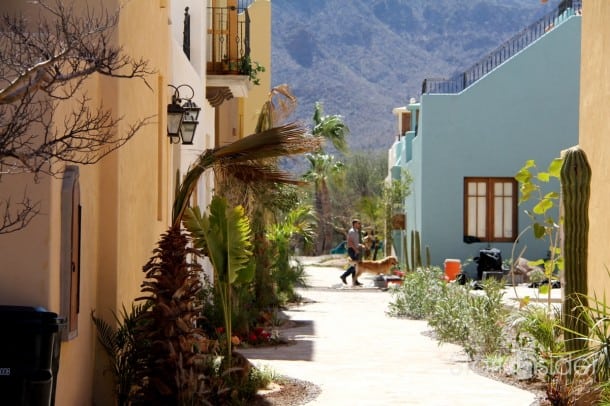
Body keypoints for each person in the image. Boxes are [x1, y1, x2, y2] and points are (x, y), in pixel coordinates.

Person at [340, 219, 364, 286]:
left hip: (355, 249)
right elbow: (350, 242)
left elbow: (355, 242)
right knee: (355, 265)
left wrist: (360, 245)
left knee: (355, 266)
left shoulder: (356, 231)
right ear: (354, 224)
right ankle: (344, 276)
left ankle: (355, 281)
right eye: (357, 223)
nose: (359, 225)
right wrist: (355, 249)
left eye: (359, 223)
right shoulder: (352, 231)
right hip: (352, 250)